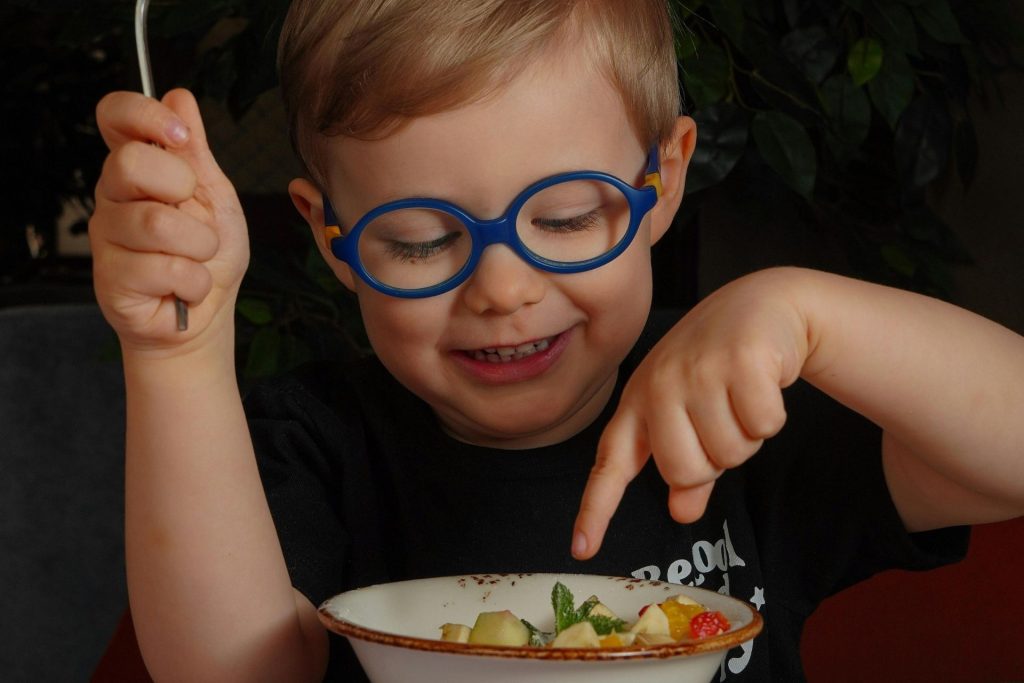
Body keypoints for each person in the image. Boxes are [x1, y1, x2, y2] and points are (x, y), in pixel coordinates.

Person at [88, 0, 1024, 680]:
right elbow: (230, 672)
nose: (503, 289)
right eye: (421, 239)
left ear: (662, 186)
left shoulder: (737, 411)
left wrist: (811, 312)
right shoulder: (316, 445)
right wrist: (179, 355)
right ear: (333, 238)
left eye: (570, 218)